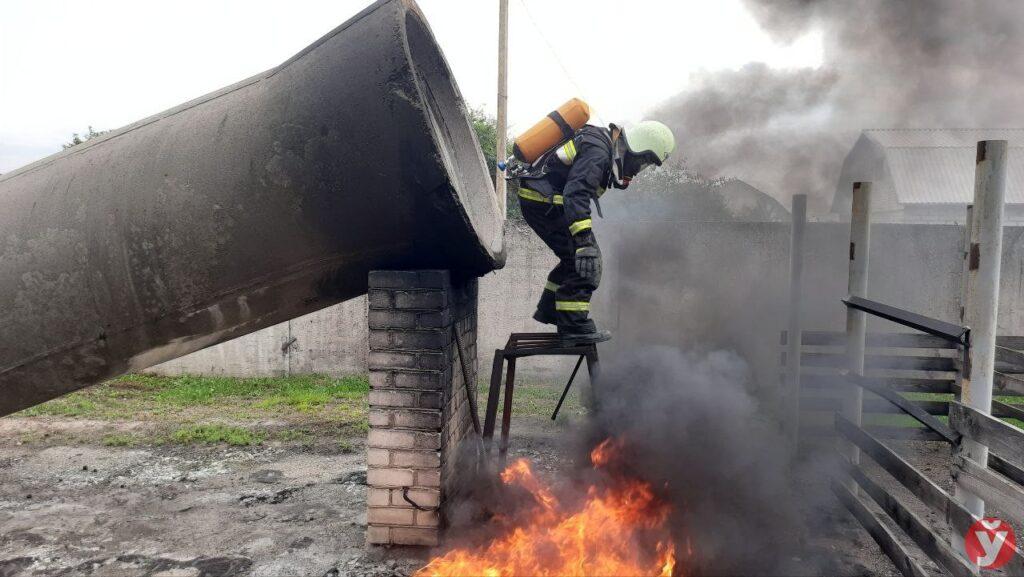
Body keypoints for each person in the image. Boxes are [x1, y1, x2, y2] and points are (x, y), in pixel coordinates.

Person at [515, 120, 675, 344]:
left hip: (543, 201)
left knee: (573, 261)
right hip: (544, 203)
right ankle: (574, 327)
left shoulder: (601, 146)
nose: (641, 169)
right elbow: (576, 193)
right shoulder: (599, 152)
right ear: (639, 149)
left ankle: (551, 311)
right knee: (588, 262)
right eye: (645, 161)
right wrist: (584, 241)